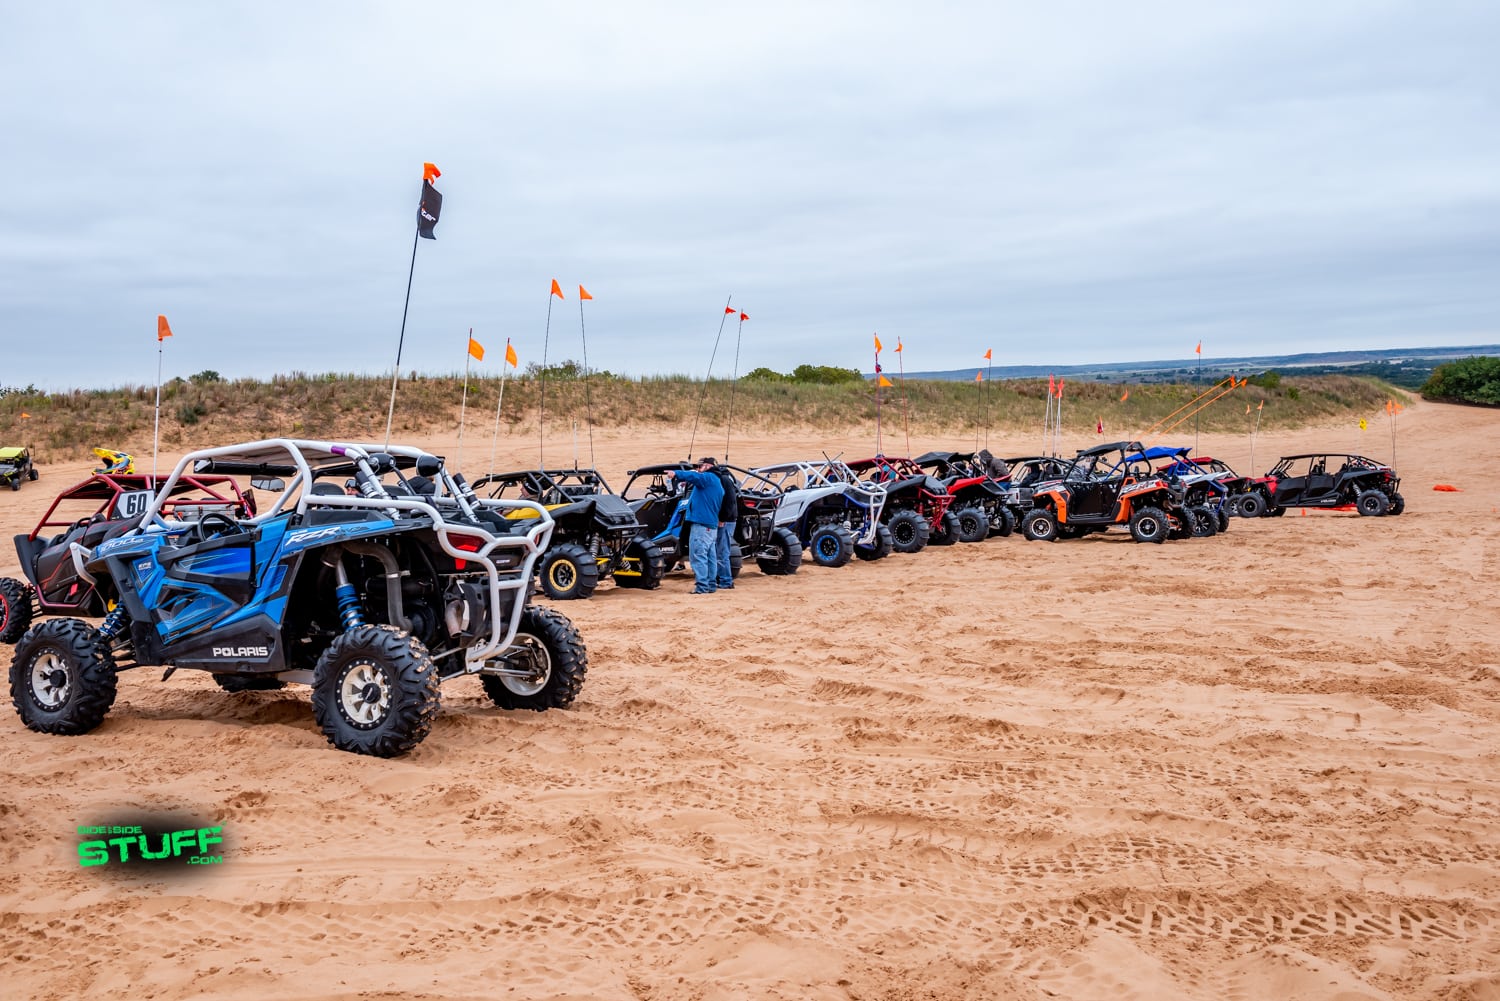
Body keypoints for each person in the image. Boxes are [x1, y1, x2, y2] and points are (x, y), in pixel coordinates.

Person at [665, 457, 726, 594]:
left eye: (700, 466)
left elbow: (693, 476)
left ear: (708, 466)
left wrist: (676, 474)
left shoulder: (708, 478)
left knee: (698, 556)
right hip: (711, 525)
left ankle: (702, 586)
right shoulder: (717, 481)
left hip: (702, 525)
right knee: (710, 557)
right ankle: (710, 585)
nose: (698, 469)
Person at [711, 460, 740, 590]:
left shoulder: (724, 480)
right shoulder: (722, 479)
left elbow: (730, 501)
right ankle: (720, 578)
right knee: (719, 551)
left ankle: (726, 581)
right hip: (723, 519)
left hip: (726, 521)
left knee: (722, 551)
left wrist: (722, 518)